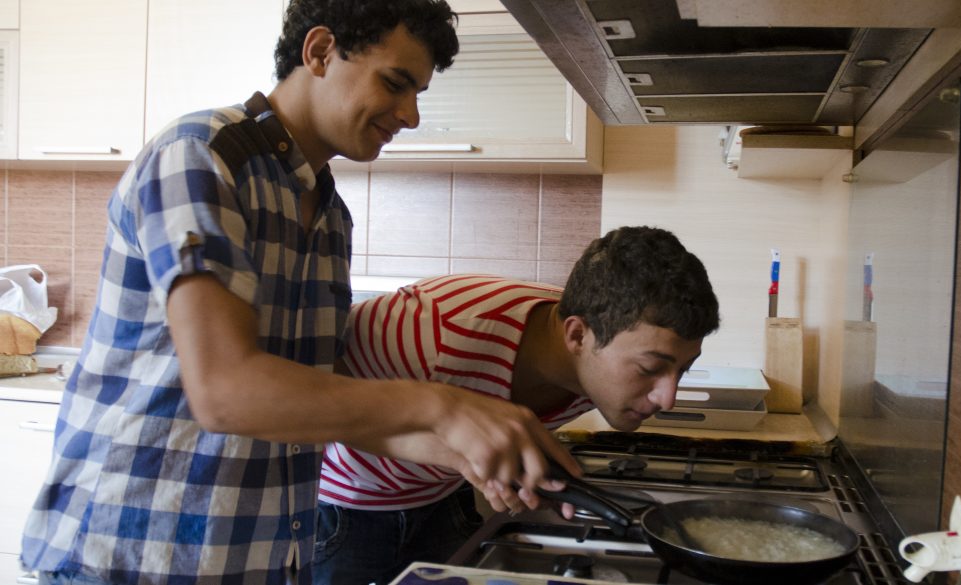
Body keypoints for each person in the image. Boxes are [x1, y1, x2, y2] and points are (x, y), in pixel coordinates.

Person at [20, 2, 578, 584]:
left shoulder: (329, 214)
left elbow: (324, 403)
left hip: (254, 562)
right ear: (318, 52)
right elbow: (225, 392)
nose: (411, 115)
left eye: (419, 92)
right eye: (395, 83)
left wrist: (473, 458)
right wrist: (445, 404)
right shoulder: (200, 156)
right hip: (131, 555)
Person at [312, 225, 722, 585]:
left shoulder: (600, 349)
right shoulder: (433, 332)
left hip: (441, 498)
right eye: (651, 368)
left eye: (683, 370)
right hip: (347, 510)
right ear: (577, 337)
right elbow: (321, 400)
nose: (668, 398)